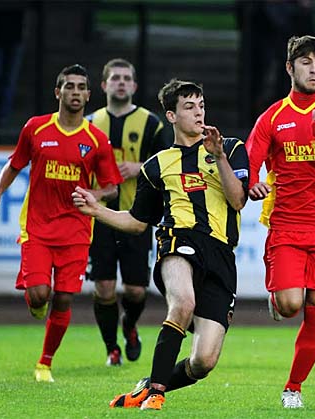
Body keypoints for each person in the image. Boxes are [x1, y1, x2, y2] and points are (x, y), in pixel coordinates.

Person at [72, 79, 249, 410]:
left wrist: (220, 157)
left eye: (201, 105)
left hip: (222, 254)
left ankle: (149, 384)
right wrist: (97, 210)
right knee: (182, 303)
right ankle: (155, 394)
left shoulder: (232, 148)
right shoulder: (156, 166)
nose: (199, 112)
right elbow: (138, 221)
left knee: (204, 361)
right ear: (171, 116)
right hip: (177, 241)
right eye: (189, 107)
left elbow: (237, 200)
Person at [0, 64, 123, 383]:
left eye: (81, 87)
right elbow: (15, 163)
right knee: (40, 294)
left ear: (88, 94)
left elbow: (112, 186)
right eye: (68, 86)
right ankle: (37, 303)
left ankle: (44, 363)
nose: (75, 92)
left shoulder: (96, 140)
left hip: (76, 230)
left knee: (65, 297)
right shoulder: (36, 128)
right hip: (38, 227)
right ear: (58, 92)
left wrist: (93, 195)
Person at [245, 35, 315, 408]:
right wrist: (252, 181)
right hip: (288, 227)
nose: (314, 69)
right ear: (290, 68)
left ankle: (293, 388)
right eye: (306, 62)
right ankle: (280, 298)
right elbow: (251, 157)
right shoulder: (273, 117)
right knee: (292, 304)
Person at [85, 58, 170, 366]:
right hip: (102, 217)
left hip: (137, 217)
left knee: (135, 291)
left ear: (134, 86)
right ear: (105, 85)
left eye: (126, 78)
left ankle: (130, 325)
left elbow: (171, 161)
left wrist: (141, 167)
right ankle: (112, 348)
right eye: (115, 78)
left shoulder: (152, 123)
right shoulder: (90, 123)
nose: (121, 82)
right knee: (104, 287)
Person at [236, 0, 315, 124]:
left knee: (288, 66)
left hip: (289, 16)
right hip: (260, 15)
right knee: (257, 66)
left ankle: (285, 112)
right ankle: (253, 112)